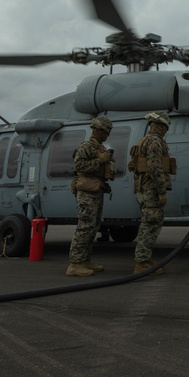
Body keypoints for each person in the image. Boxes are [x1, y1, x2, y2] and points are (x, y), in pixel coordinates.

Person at [66, 115, 116, 277]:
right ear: (99, 130)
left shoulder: (100, 148)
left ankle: (85, 259)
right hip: (86, 192)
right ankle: (75, 263)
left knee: (94, 226)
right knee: (85, 226)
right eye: (106, 132)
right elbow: (79, 166)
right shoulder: (85, 147)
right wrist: (100, 161)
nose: (107, 135)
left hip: (96, 190)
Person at [128, 111, 175, 275]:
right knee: (151, 225)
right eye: (165, 127)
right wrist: (161, 191)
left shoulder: (143, 141)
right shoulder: (155, 142)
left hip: (143, 189)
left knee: (148, 224)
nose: (165, 130)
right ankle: (141, 262)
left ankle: (144, 259)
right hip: (151, 191)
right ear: (159, 126)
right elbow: (155, 168)